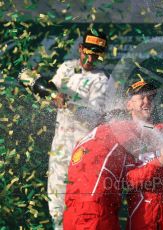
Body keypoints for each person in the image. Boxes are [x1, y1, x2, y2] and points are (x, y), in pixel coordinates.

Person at [63, 79, 163, 230]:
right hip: (132, 216)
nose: (147, 101)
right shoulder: (116, 135)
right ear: (128, 105)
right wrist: (158, 163)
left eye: (150, 98)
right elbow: (129, 181)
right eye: (141, 97)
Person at [46, 28, 110, 228]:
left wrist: (70, 103)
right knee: (55, 203)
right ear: (81, 48)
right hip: (59, 147)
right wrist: (50, 94)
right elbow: (50, 91)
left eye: (95, 55)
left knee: (79, 204)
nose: (90, 59)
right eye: (87, 53)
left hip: (82, 153)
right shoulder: (66, 68)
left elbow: (95, 115)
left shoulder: (102, 79)